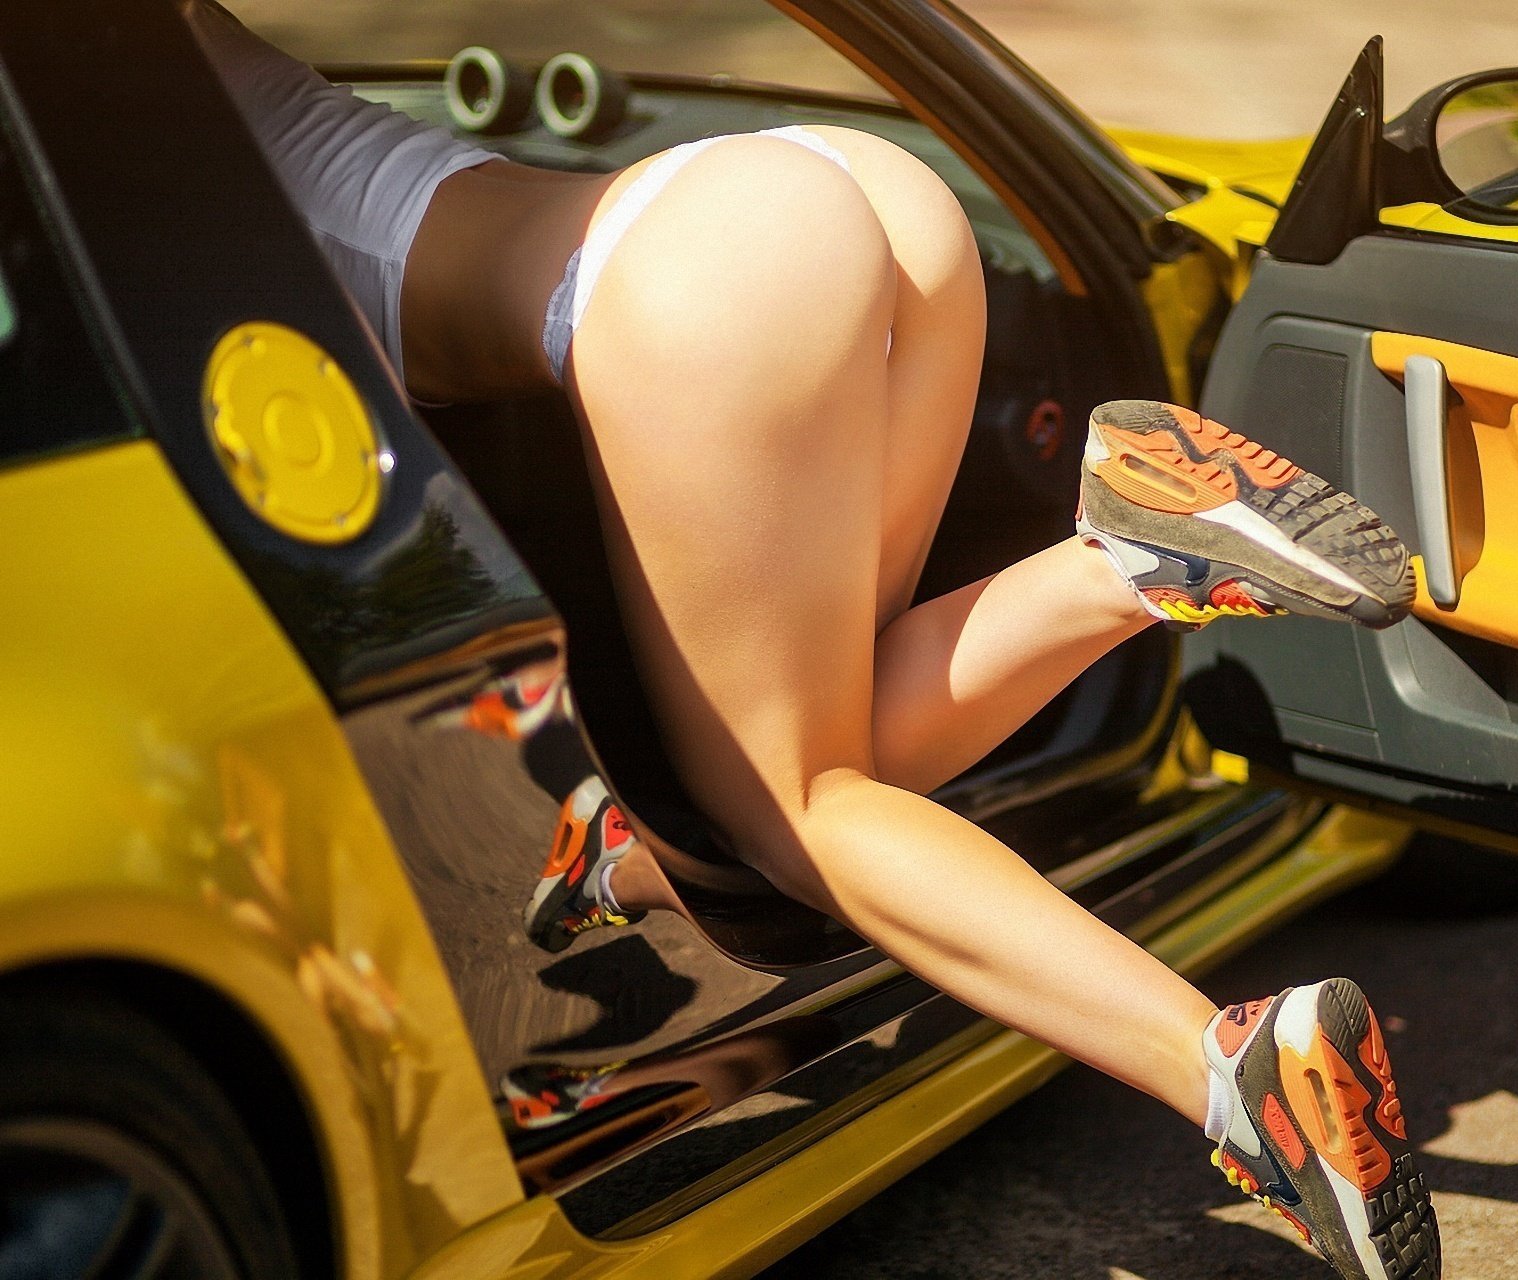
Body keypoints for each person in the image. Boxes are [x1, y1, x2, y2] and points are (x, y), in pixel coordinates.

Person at [187, 4, 1441, 1276]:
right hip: (861, 196)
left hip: (711, 272)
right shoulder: (175, 49)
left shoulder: (108, 135)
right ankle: (1120, 556)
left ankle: (1225, 1063)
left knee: (800, 809)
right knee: (841, 752)